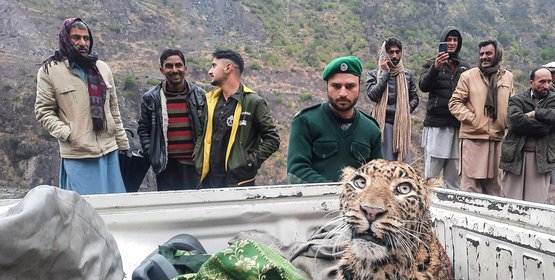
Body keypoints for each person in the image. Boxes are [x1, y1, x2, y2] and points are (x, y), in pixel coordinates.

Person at [34, 17, 129, 195]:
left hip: (109, 151)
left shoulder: (102, 68)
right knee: (84, 210)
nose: (82, 42)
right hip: (79, 154)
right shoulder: (49, 70)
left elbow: (113, 109)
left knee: (115, 208)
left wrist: (123, 145)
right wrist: (69, 134)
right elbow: (43, 111)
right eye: (76, 37)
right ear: (65, 38)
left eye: (86, 38)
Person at [287, 56, 382, 183]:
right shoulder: (305, 121)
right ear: (327, 86)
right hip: (313, 201)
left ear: (359, 86)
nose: (343, 93)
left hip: (357, 202)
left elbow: (378, 176)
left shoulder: (371, 129)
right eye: (336, 86)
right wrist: (334, 192)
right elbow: (296, 171)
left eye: (350, 86)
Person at [194, 49, 280, 188]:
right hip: (208, 181)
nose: (210, 71)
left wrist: (249, 162)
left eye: (214, 65)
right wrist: (197, 159)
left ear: (228, 68)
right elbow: (201, 135)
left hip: (239, 182)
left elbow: (272, 139)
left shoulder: (253, 102)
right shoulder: (210, 101)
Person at [448, 39, 514, 195]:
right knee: (471, 187)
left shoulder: (508, 77)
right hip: (473, 139)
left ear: (497, 54)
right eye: (482, 54)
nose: (484, 57)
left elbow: (511, 103)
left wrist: (508, 122)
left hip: (496, 139)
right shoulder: (468, 76)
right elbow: (454, 103)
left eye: (488, 53)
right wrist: (473, 119)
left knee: (495, 189)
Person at [138, 49, 206, 191]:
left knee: (195, 209)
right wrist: (152, 153)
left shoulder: (200, 96)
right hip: (166, 168)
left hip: (195, 166)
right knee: (170, 209)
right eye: (169, 66)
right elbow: (144, 129)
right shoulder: (151, 98)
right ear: (162, 70)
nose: (174, 70)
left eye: (178, 65)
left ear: (185, 68)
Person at [500, 68, 555, 202]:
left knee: (536, 203)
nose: (546, 85)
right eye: (542, 82)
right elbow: (514, 121)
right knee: (510, 201)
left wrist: (535, 113)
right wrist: (545, 126)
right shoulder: (517, 100)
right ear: (531, 83)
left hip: (541, 159)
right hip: (516, 157)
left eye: (549, 81)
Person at [418, 26, 470, 189]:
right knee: (432, 173)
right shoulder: (431, 63)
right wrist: (435, 67)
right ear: (443, 41)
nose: (452, 43)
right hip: (437, 124)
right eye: (449, 40)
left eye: (455, 40)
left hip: (458, 125)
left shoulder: (465, 67)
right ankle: (427, 206)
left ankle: (452, 209)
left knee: (454, 174)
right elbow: (423, 86)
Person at [365, 37, 419, 162]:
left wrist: (404, 111)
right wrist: (385, 73)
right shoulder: (374, 74)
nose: (394, 55)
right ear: (384, 53)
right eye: (391, 52)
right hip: (382, 126)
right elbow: (373, 95)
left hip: (401, 127)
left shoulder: (407, 75)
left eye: (397, 52)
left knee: (402, 167)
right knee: (383, 165)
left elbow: (415, 97)